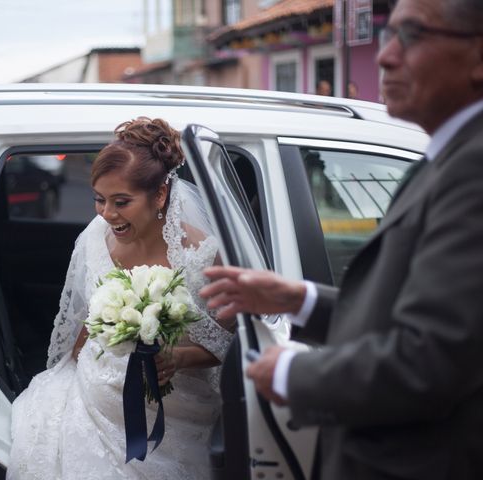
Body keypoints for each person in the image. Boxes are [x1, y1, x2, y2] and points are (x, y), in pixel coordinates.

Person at [200, 0, 483, 478]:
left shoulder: (472, 170)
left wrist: (291, 373)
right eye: (388, 35)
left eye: (411, 36)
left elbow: (427, 361)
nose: (386, 56)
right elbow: (402, 320)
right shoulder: (448, 158)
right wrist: (300, 299)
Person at [7, 117, 233, 479]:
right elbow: (83, 329)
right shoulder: (95, 237)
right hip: (94, 389)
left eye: (122, 202)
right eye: (99, 199)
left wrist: (176, 357)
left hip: (175, 404)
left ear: (159, 195)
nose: (108, 214)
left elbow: (227, 345)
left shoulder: (203, 256)